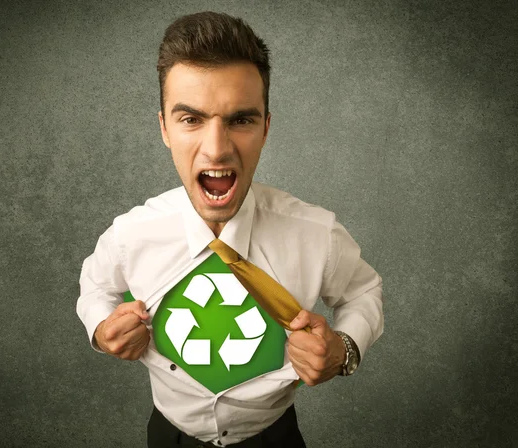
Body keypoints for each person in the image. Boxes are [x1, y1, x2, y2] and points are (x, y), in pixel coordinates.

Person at [76, 11, 384, 448]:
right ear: (164, 127)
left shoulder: (316, 234)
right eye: (191, 119)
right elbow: (95, 287)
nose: (217, 149)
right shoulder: (132, 234)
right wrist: (101, 328)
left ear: (265, 128)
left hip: (274, 438)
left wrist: (345, 350)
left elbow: (363, 291)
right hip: (169, 436)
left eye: (240, 120)